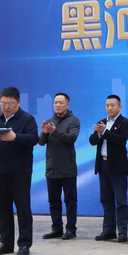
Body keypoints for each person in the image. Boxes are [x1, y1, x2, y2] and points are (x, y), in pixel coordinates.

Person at [0, 87, 38, 255]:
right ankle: (6, 243)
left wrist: (15, 137)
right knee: (2, 208)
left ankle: (24, 244)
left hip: (19, 171)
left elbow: (34, 138)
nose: (6, 107)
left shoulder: (27, 119)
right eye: (3, 103)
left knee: (23, 208)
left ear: (18, 102)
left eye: (10, 104)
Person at [89, 95, 128, 243]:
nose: (109, 108)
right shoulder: (102, 122)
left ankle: (123, 231)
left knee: (121, 201)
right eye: (107, 105)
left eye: (113, 105)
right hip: (103, 165)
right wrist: (99, 133)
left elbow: (121, 140)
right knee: (106, 200)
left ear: (119, 107)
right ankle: (108, 231)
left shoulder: (125, 122)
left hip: (118, 167)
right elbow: (92, 141)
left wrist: (105, 132)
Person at [38, 92, 81, 240]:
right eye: (55, 102)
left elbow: (71, 138)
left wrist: (55, 132)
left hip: (67, 168)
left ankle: (71, 230)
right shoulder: (49, 121)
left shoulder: (74, 121)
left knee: (70, 201)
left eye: (61, 102)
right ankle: (56, 229)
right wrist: (44, 133)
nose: (58, 105)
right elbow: (41, 142)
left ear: (67, 105)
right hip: (52, 167)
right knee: (53, 201)